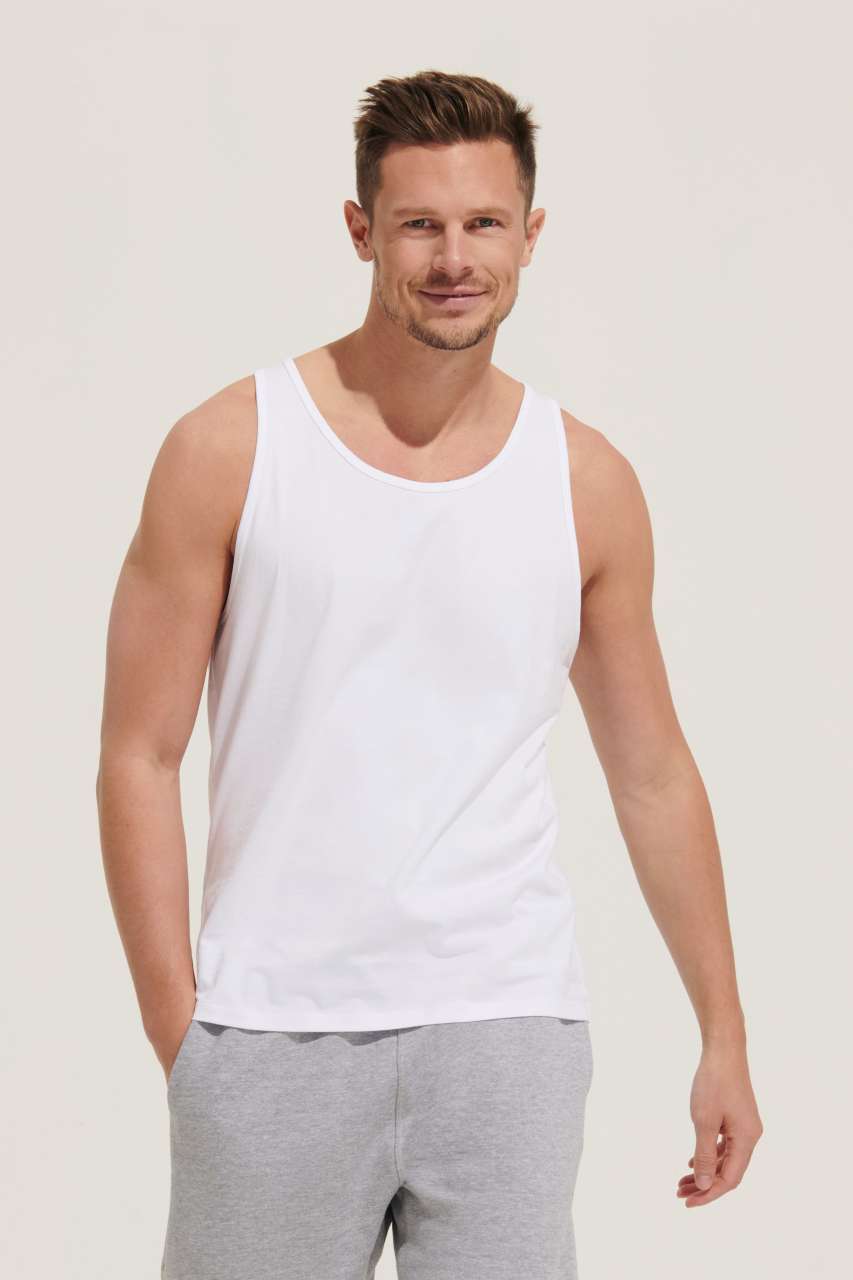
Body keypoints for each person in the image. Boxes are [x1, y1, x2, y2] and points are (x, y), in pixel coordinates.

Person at [96, 69, 763, 1280]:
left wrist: (723, 1030)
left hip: (505, 1032)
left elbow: (653, 772)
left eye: (483, 222)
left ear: (529, 235)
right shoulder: (230, 448)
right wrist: (181, 1032)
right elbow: (138, 754)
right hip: (270, 1031)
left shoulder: (584, 481)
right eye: (419, 224)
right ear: (362, 231)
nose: (455, 258)